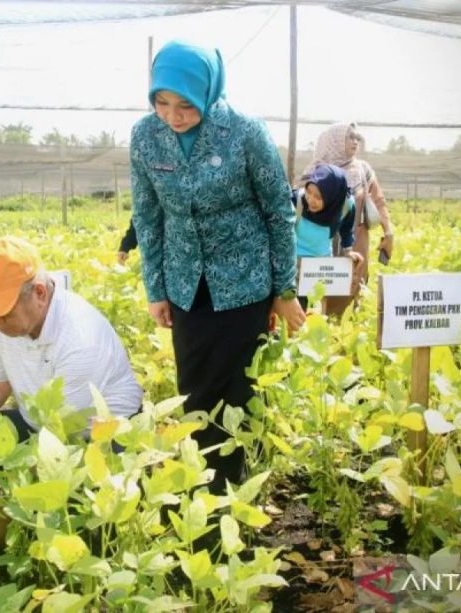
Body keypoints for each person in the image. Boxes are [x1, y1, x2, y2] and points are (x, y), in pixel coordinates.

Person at [130, 40, 304, 492]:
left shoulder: (244, 131)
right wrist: (156, 289)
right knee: (194, 389)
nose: (173, 115)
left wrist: (284, 290)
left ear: (207, 91)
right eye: (162, 103)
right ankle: (201, 487)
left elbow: (278, 211)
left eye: (185, 104)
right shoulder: (146, 137)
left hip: (245, 283)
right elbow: (147, 216)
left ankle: (235, 491)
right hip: (187, 283)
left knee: (239, 390)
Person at [0, 236, 143, 459]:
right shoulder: (3, 322)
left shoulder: (80, 338)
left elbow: (63, 432)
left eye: (5, 313)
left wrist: (17, 466)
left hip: (97, 432)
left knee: (103, 479)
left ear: (40, 293)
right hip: (42, 425)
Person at [301, 122, 394, 315]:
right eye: (350, 137)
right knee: (314, 296)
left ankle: (342, 336)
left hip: (354, 243)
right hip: (317, 246)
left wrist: (389, 232)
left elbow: (379, 201)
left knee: (350, 290)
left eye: (357, 137)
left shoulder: (362, 170)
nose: (355, 141)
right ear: (334, 141)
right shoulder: (314, 172)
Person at [293, 164, 363, 309]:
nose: (311, 199)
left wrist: (348, 250)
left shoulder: (345, 206)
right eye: (309, 191)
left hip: (320, 266)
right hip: (294, 264)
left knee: (316, 312)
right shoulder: (296, 201)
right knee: (297, 312)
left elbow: (346, 228)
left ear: (333, 198)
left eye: (318, 197)